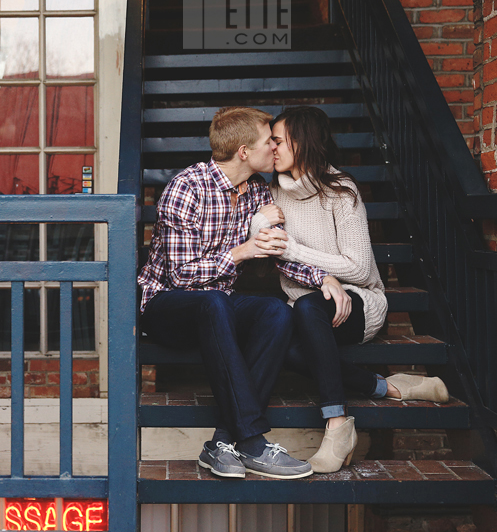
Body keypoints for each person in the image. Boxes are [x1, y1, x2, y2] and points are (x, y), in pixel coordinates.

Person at [138, 106, 352, 480]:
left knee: (276, 312)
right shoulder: (187, 188)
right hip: (166, 305)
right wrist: (242, 251)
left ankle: (221, 443)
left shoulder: (255, 192)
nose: (274, 146)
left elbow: (273, 251)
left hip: (216, 307)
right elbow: (181, 275)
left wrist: (322, 278)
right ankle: (252, 442)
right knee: (213, 300)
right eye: (268, 140)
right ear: (243, 151)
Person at [251, 106, 449, 473]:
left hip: (357, 304)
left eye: (278, 140)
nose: (272, 148)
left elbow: (358, 267)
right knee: (290, 342)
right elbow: (268, 259)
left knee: (310, 308)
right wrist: (257, 227)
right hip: (305, 308)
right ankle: (390, 388)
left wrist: (294, 250)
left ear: (302, 141)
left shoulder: (340, 191)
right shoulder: (272, 195)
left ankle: (337, 424)